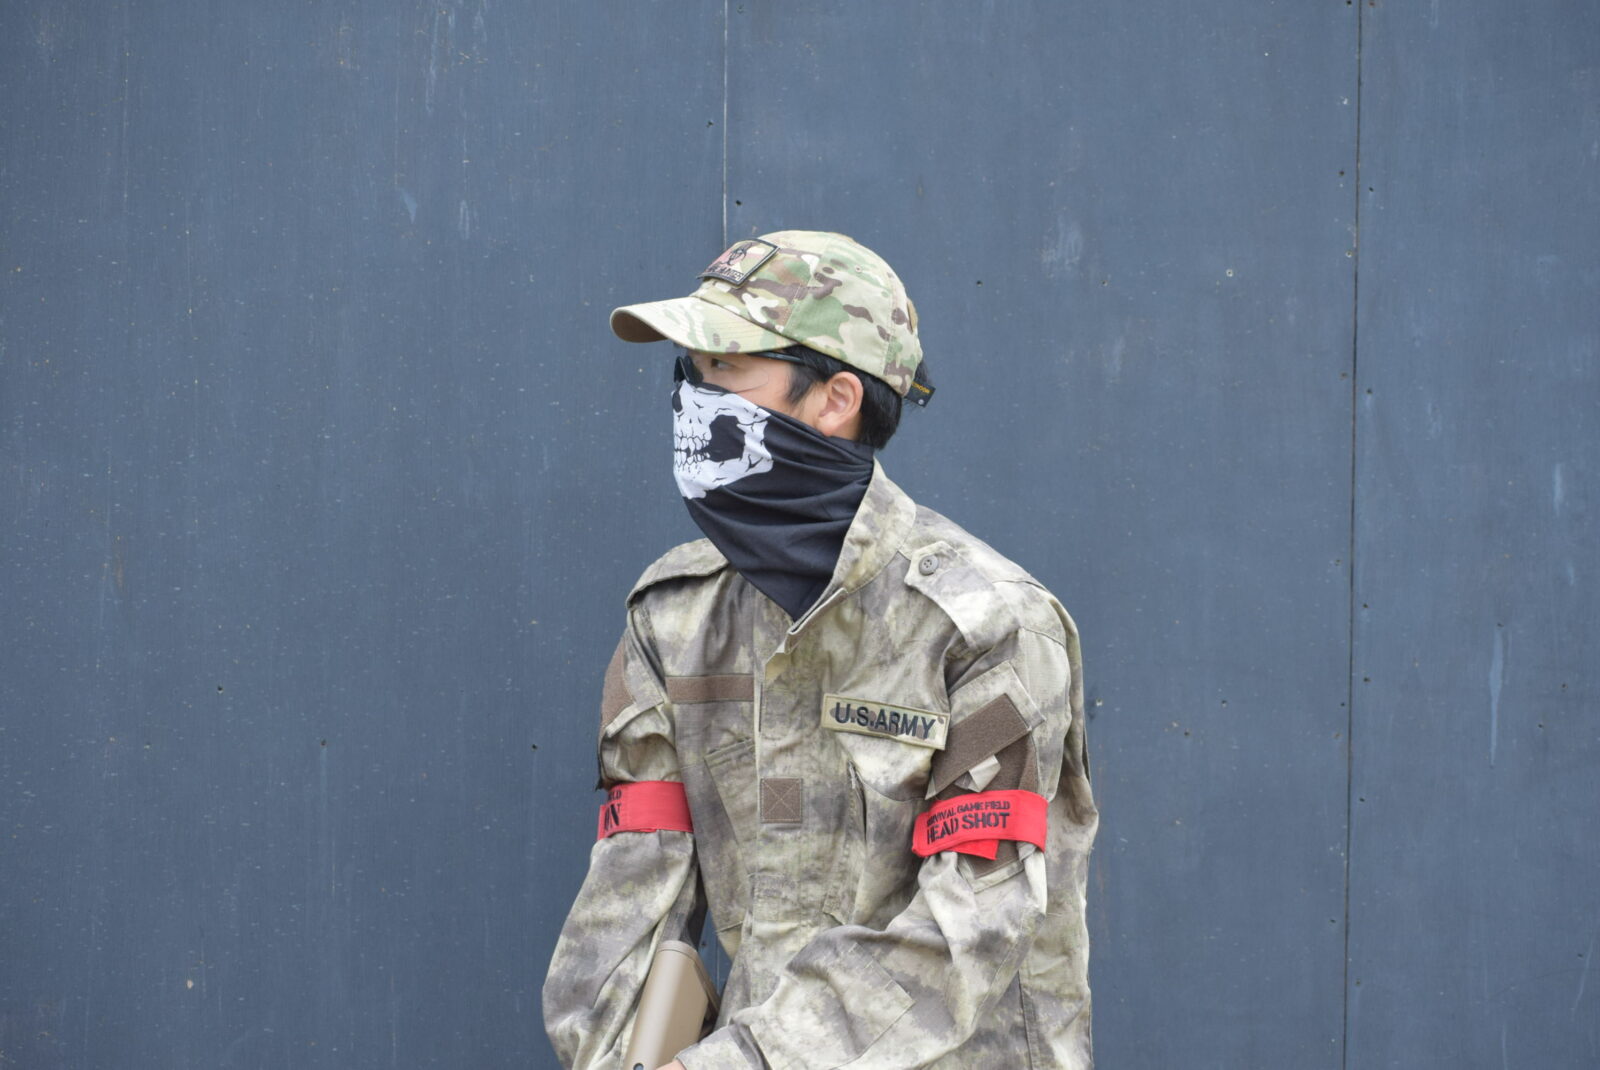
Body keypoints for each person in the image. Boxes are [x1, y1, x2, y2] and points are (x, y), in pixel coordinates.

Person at [542, 230, 1097, 1069]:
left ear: (835, 399)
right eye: (689, 370)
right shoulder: (675, 618)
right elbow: (630, 896)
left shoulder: (987, 625)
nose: (693, 398)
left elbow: (969, 929)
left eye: (725, 368)